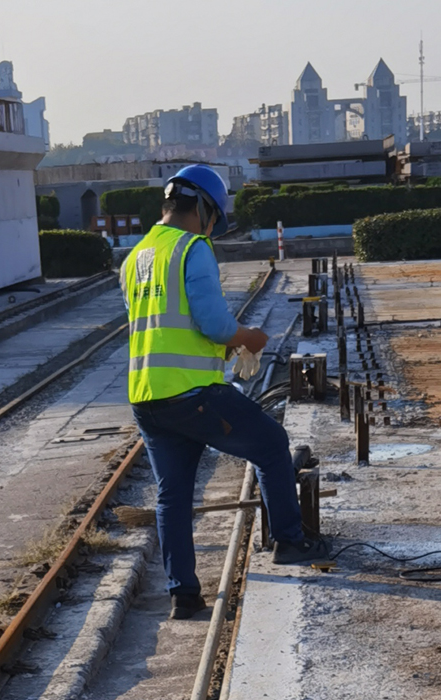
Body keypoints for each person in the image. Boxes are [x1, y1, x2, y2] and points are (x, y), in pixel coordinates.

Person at [121, 164, 331, 619]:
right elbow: (214, 324)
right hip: (193, 393)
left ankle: (183, 595)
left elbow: (161, 324)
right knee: (271, 445)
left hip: (147, 397)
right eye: (214, 217)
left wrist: (227, 344)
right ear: (203, 208)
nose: (212, 227)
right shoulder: (192, 247)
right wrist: (248, 338)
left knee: (173, 495)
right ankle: (290, 542)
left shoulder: (136, 256)